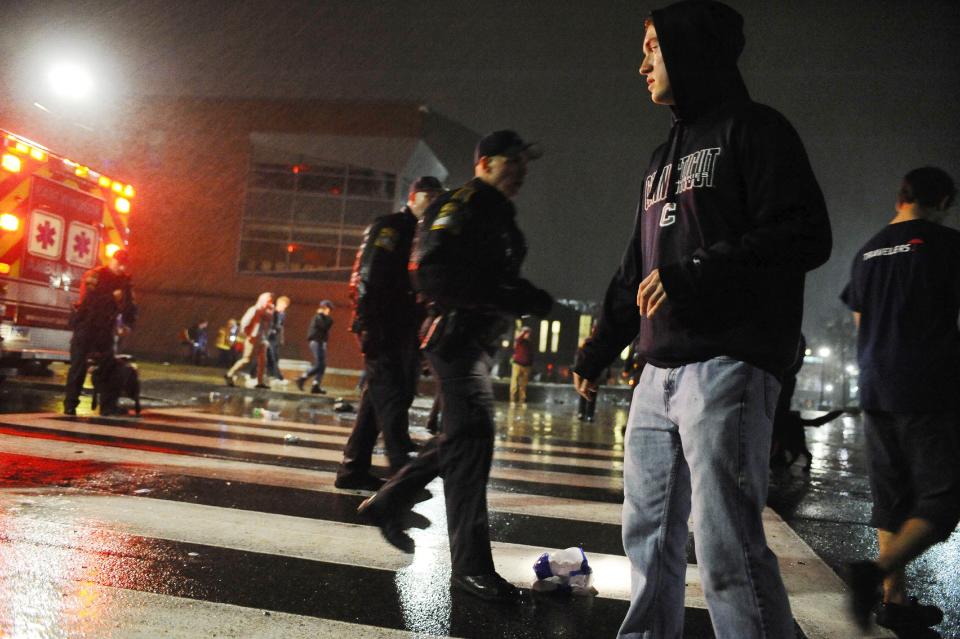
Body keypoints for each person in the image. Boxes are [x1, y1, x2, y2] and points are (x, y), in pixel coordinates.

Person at [571, 3, 832, 637]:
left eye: (653, 47)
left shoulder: (758, 130)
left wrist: (695, 271)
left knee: (726, 550)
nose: (642, 64)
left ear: (691, 50)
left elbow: (806, 233)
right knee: (648, 540)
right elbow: (636, 270)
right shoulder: (661, 158)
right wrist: (597, 350)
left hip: (729, 363)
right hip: (656, 374)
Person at [357, 131, 553, 603]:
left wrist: (523, 296)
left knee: (464, 440)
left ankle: (390, 499)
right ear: (484, 162)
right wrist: (514, 296)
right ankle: (470, 568)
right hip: (456, 336)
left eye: (526, 161)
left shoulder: (497, 211)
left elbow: (495, 275)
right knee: (473, 447)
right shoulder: (461, 204)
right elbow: (432, 271)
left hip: (477, 340)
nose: (522, 169)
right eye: (514, 160)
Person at [841, 167, 959, 633]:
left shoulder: (867, 251)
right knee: (943, 499)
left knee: (891, 499)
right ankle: (873, 574)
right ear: (944, 201)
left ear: (900, 198)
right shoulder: (948, 246)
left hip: (875, 385)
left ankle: (895, 600)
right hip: (928, 386)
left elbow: (859, 320)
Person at [334, 176, 445, 490]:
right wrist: (368, 322)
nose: (435, 202)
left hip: (403, 328)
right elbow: (368, 274)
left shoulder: (422, 233)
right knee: (394, 395)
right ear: (413, 197)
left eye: (439, 197)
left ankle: (353, 469)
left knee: (380, 396)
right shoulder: (392, 226)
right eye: (430, 196)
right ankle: (401, 476)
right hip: (383, 325)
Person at [63, 249, 137, 415]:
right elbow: (89, 300)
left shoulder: (125, 281)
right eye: (119, 263)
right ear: (112, 260)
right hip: (87, 326)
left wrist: (128, 323)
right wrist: (112, 297)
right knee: (78, 366)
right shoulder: (95, 275)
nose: (121, 268)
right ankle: (70, 404)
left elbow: (130, 305)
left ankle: (108, 405)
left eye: (124, 265)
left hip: (105, 329)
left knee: (109, 367)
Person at [225, 292, 273, 388]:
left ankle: (260, 382)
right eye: (268, 300)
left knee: (262, 360)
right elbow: (244, 322)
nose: (270, 302)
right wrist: (247, 335)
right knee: (247, 359)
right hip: (253, 337)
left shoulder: (268, 312)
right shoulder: (254, 310)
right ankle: (229, 374)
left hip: (262, 338)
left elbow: (268, 325)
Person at [297, 300, 334, 394]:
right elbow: (323, 326)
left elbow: (328, 325)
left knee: (322, 365)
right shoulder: (317, 317)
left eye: (329, 309)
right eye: (326, 308)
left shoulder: (327, 318)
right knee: (319, 364)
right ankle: (302, 378)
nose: (328, 311)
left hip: (322, 343)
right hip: (316, 342)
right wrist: (321, 315)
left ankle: (316, 385)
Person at [264, 295, 290, 381]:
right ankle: (278, 376)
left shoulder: (283, 314)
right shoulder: (273, 312)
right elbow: (268, 324)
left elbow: (281, 327)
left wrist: (281, 338)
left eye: (286, 305)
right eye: (284, 305)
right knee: (272, 356)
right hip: (268, 337)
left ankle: (270, 374)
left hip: (275, 337)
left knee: (272, 356)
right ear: (279, 303)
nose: (285, 307)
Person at [509, 326, 533, 404]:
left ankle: (522, 400)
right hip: (517, 365)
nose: (527, 334)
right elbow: (518, 338)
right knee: (514, 383)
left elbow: (531, 354)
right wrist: (523, 332)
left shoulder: (529, 343)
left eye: (528, 333)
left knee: (523, 384)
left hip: (527, 366)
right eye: (526, 333)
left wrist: (530, 364)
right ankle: (512, 399)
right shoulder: (519, 341)